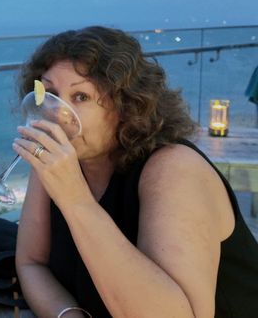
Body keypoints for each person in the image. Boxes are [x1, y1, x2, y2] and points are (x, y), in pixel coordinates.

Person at [14, 26, 258, 318]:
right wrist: (68, 314)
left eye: (80, 96)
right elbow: (31, 262)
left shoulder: (173, 170)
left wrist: (76, 201)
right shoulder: (58, 158)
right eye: (51, 94)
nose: (57, 112)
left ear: (126, 105)